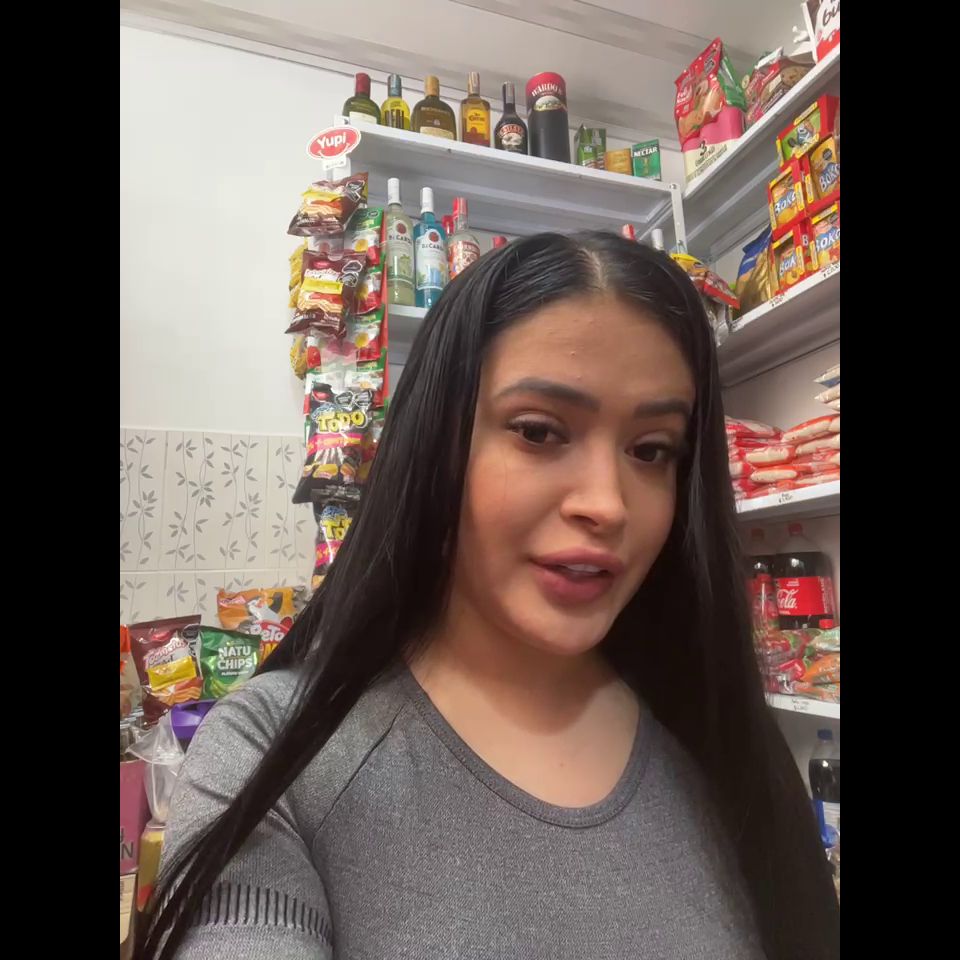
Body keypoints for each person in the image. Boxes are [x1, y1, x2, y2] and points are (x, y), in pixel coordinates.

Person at [138, 232, 840, 960]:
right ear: (436, 444)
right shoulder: (270, 755)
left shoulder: (721, 746)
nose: (608, 504)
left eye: (651, 450)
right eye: (539, 432)